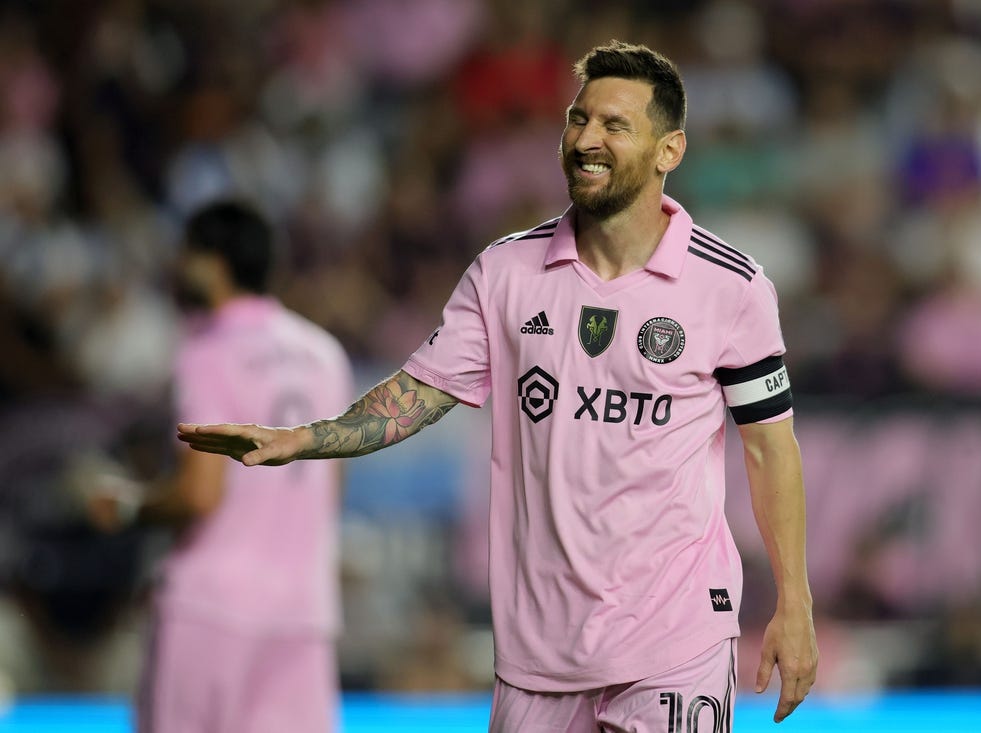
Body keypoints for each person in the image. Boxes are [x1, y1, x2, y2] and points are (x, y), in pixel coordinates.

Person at [179, 41, 817, 730]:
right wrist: (303, 438)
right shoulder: (506, 272)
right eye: (578, 119)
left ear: (670, 151)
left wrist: (796, 604)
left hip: (674, 638)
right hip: (537, 653)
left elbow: (768, 449)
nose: (586, 140)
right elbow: (420, 395)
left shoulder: (730, 285)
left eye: (614, 125)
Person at [87, 200, 354, 733]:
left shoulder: (207, 351)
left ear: (212, 263)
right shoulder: (325, 354)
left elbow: (200, 495)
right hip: (303, 613)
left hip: (211, 614)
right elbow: (329, 490)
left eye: (185, 252)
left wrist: (129, 508)